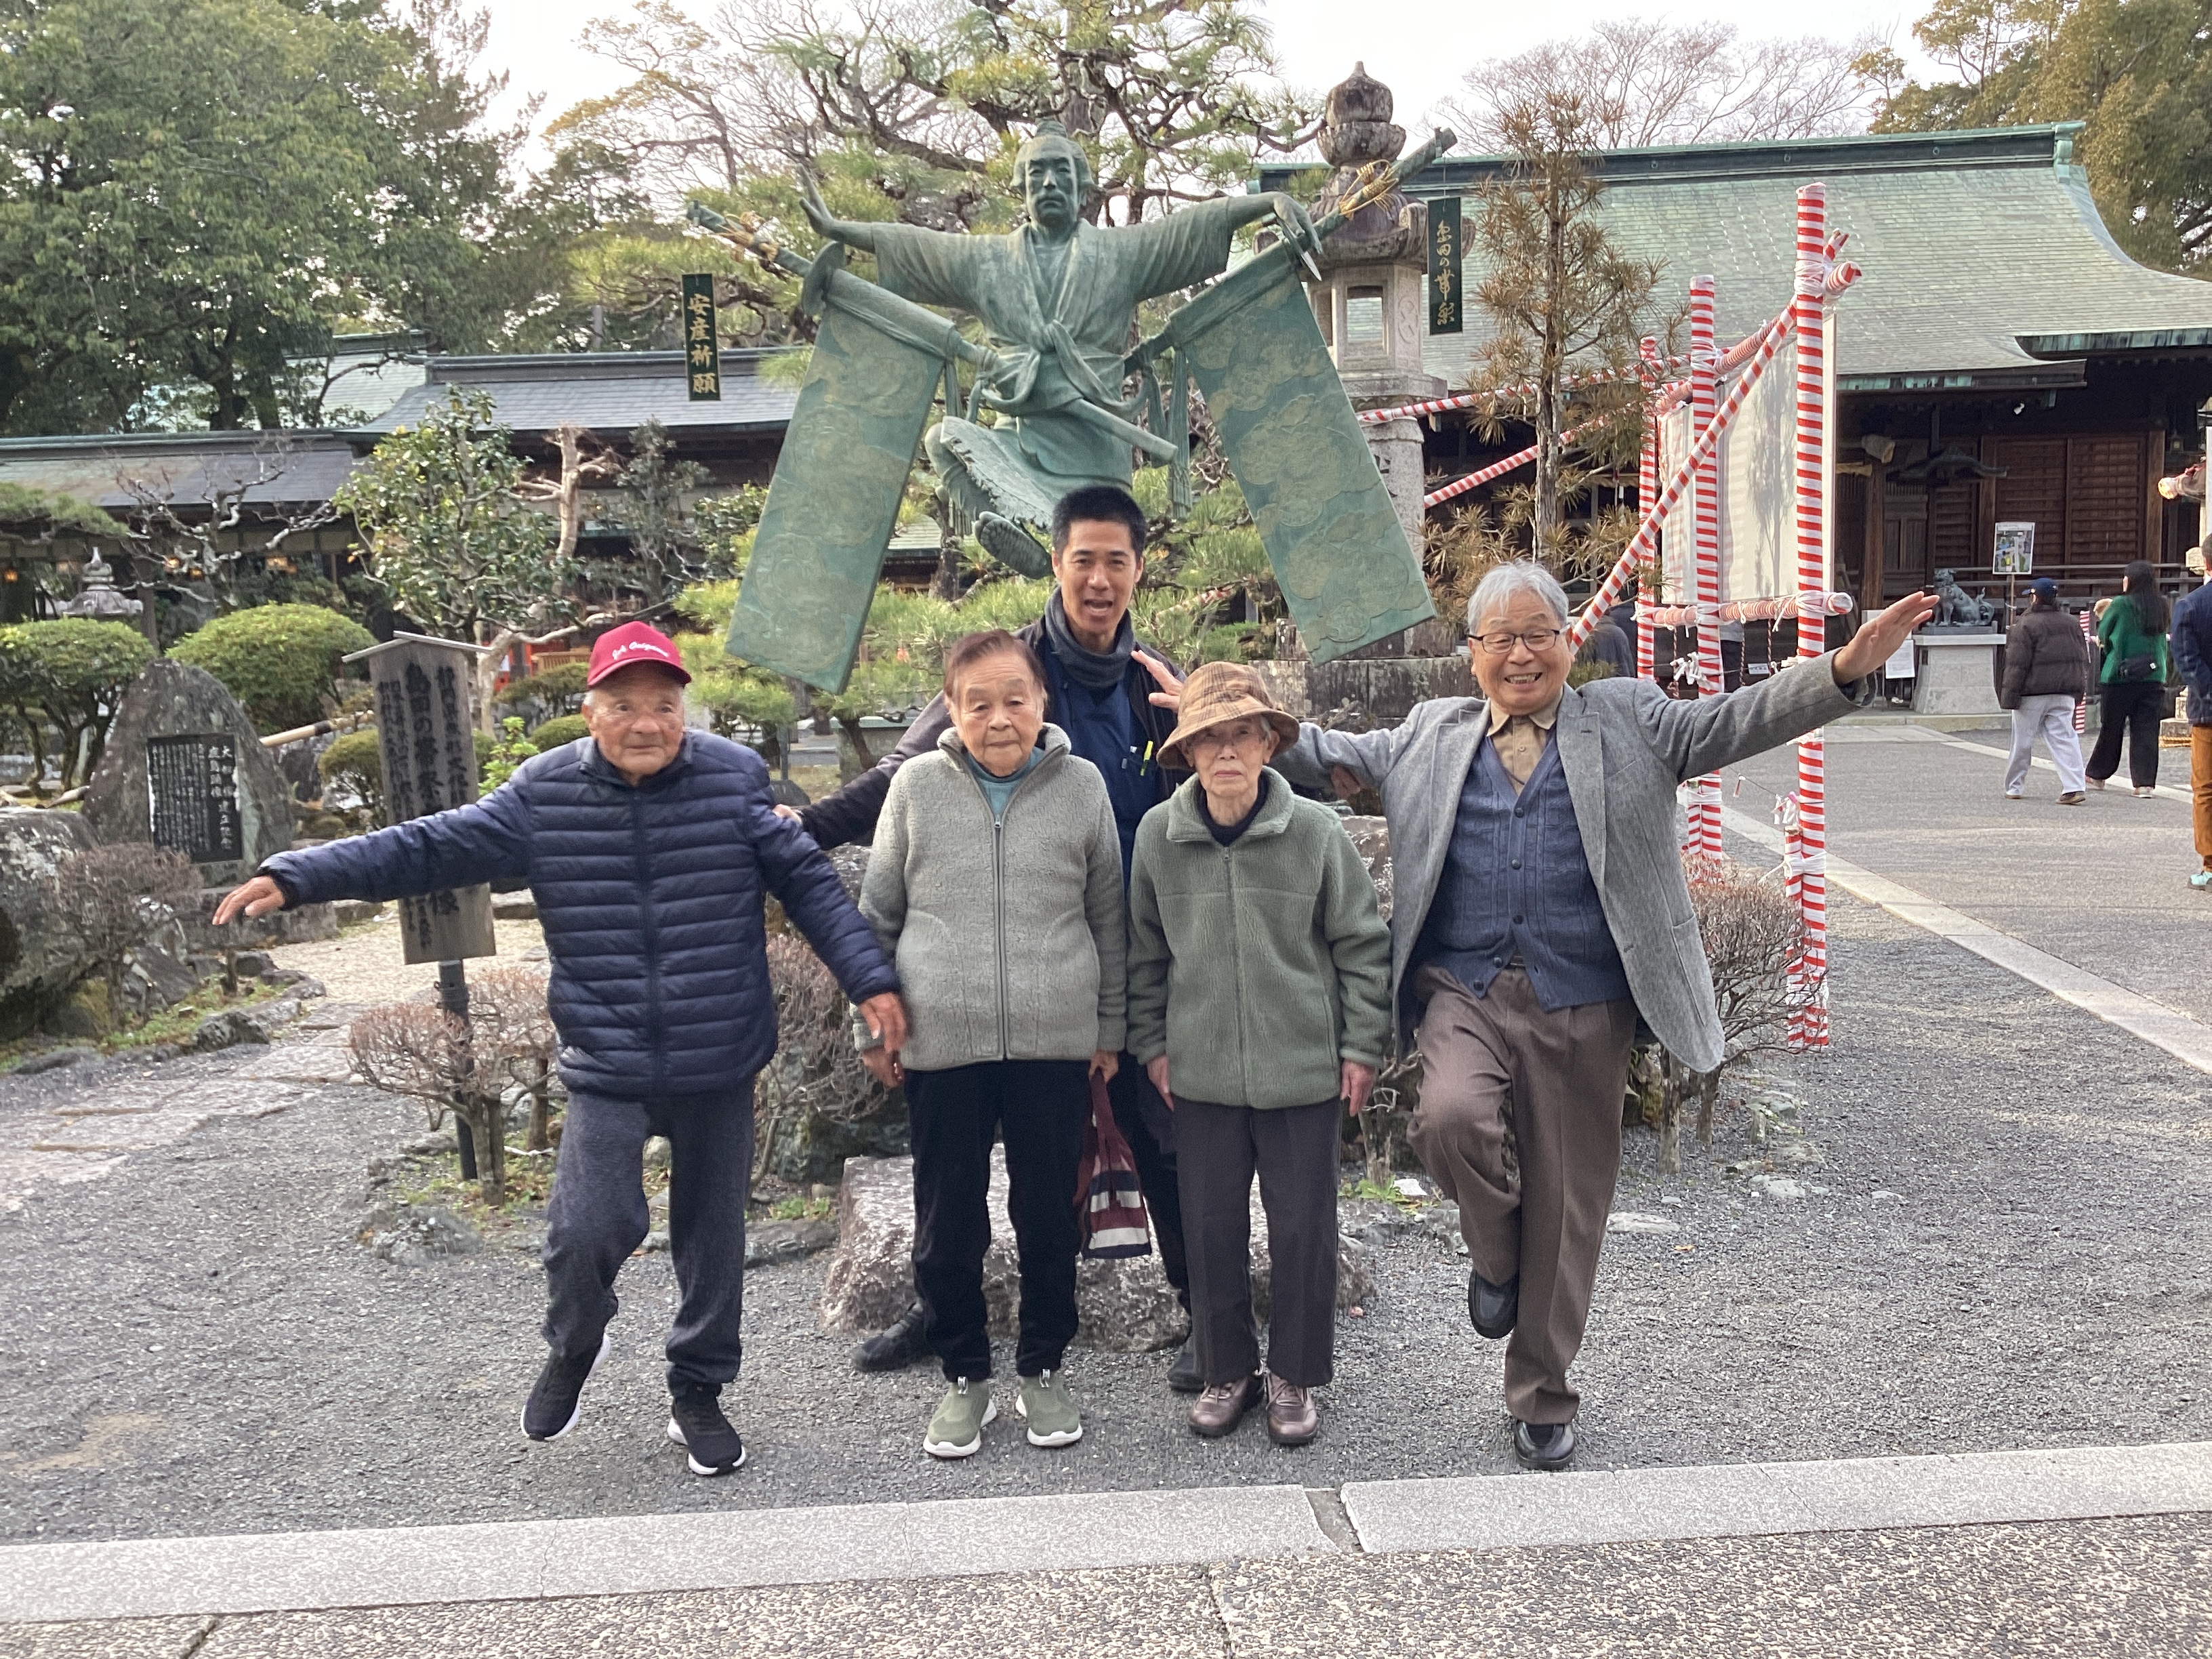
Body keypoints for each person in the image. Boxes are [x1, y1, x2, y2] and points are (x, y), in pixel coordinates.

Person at [1267, 563, 1934, 1470]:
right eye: (1498, 638)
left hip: (1585, 996)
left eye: (1536, 632)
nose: (1519, 653)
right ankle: (1495, 1260)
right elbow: (1318, 754)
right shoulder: (1431, 731)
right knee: (1448, 1118)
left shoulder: (1628, 716)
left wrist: (1844, 671)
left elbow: (1732, 720)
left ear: (1568, 641)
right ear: (1473, 657)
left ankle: (1542, 1394)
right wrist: (1220, 714)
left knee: (1570, 1207)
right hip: (1463, 987)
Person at [213, 622, 903, 1478]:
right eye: (624, 705)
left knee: (713, 1240)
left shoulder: (734, 782)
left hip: (718, 1054)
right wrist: (303, 874)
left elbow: (806, 883)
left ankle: (698, 1390)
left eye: (663, 705)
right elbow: (428, 845)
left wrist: (868, 981)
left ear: (684, 710)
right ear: (590, 713)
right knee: (583, 1232)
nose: (646, 722)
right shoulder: (543, 794)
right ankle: (576, 1344)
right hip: (608, 1059)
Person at [796, 483, 1204, 1393]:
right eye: (1082, 559)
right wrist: (802, 831)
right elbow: (902, 778)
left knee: (1162, 1129)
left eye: (1117, 560)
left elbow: (1235, 765)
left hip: (1129, 944)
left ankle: (1205, 1312)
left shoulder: (1155, 678)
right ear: (1055, 562)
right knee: (955, 1159)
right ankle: (943, 1313)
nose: (1099, 579)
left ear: (1140, 569)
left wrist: (1202, 722)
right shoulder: (1004, 672)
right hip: (987, 959)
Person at [855, 629, 1126, 1458]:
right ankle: (965, 1375)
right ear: (952, 708)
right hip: (944, 1044)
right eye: (979, 702)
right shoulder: (915, 788)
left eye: (1015, 698)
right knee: (947, 1222)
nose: (999, 717)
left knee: (1048, 1217)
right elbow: (874, 919)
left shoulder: (1081, 786)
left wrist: (1109, 1028)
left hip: (1053, 1045)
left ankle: (1043, 1368)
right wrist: (870, 1027)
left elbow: (1109, 919)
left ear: (1041, 703)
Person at [1126, 664, 1391, 1447]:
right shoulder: (1158, 839)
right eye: (1209, 737)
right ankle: (1225, 1368)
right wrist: (1152, 1046)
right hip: (1200, 1069)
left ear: (1271, 743)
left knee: (1303, 1229)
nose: (1227, 750)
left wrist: (1360, 1046)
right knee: (1208, 1227)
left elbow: (1362, 948)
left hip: (1303, 1067)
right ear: (1189, 752)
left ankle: (1294, 1376)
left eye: (1243, 733)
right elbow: (1142, 957)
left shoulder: (1315, 831)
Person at [2000, 577, 2089, 804]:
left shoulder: (2026, 625)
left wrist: (2010, 696)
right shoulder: (2072, 623)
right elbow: (2081, 659)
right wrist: (2079, 690)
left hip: (2032, 692)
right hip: (2064, 691)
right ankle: (2074, 786)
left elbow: (2016, 665)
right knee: (2065, 738)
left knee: (2023, 740)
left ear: (2034, 597)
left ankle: (2015, 786)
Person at [2086, 559, 2171, 797]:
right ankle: (2144, 783)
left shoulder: (2121, 604)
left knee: (2112, 727)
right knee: (2146, 729)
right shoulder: (2161, 605)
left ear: (2130, 580)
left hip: (2119, 676)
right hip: (2153, 675)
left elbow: (2104, 635)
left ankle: (2098, 774)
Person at [2171, 545, 2212, 888]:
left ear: (2206, 562)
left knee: (2206, 788)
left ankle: (2211, 865)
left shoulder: (2191, 604)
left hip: (2208, 711)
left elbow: (2187, 659)